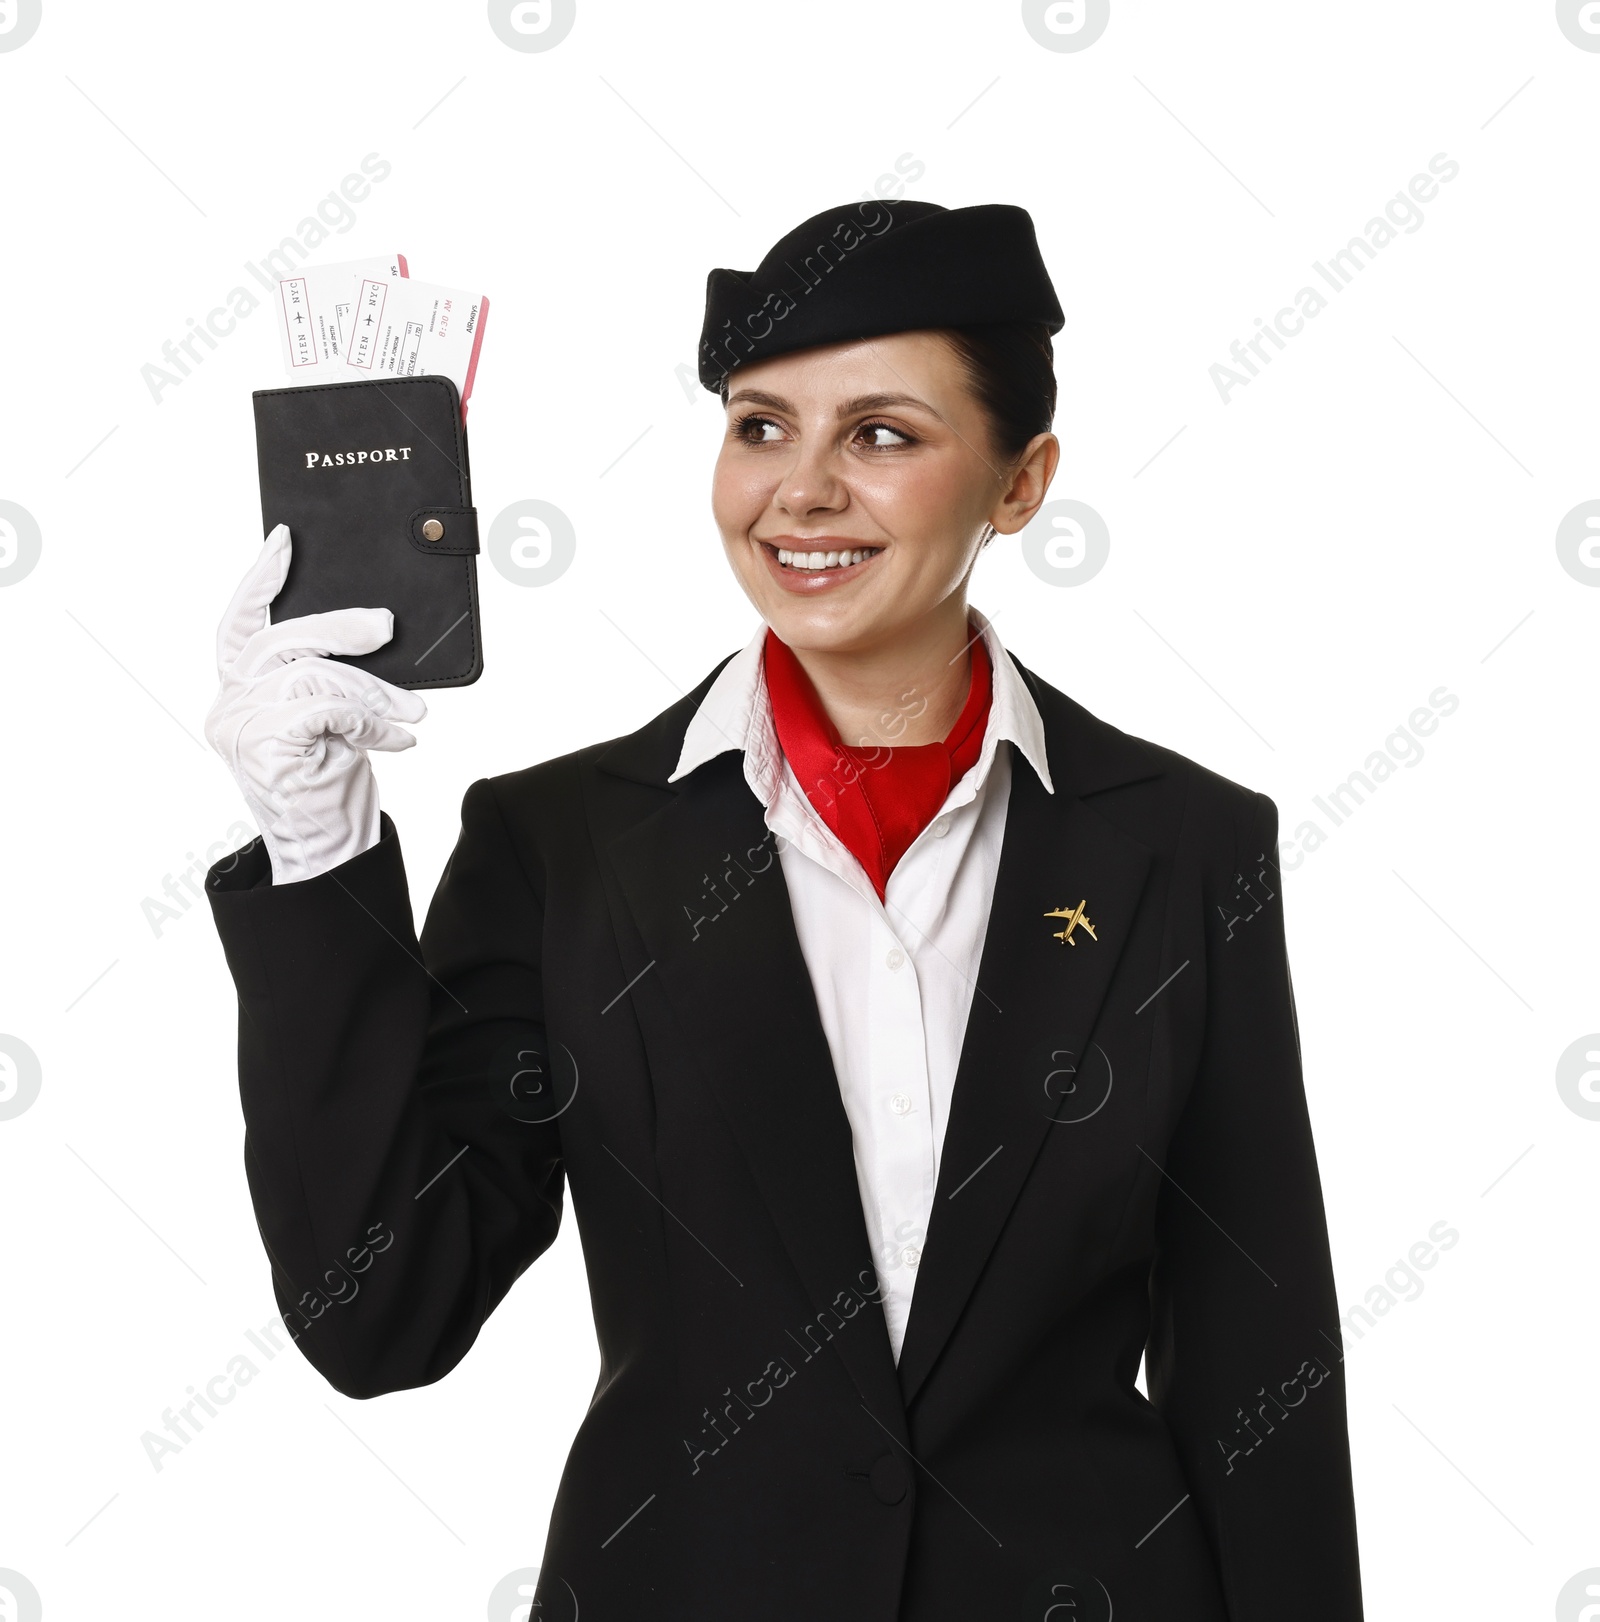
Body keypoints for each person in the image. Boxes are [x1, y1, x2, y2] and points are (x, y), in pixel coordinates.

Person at [204, 199, 1365, 1621]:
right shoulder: (560, 846)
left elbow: (1261, 1366)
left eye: (881, 434)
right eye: (761, 426)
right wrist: (317, 853)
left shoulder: (1183, 848)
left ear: (1021, 480)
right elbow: (383, 1311)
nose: (799, 490)